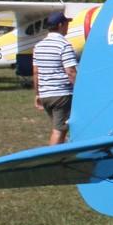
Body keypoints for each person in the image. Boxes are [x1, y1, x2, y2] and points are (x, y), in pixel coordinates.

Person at [32, 10, 77, 146]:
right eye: (65, 23)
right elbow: (70, 72)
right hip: (61, 95)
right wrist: (81, 90)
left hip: (46, 95)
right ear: (59, 25)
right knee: (59, 130)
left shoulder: (38, 46)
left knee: (60, 128)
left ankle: (64, 156)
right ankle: (54, 159)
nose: (67, 26)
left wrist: (37, 94)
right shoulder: (64, 45)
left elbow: (35, 72)